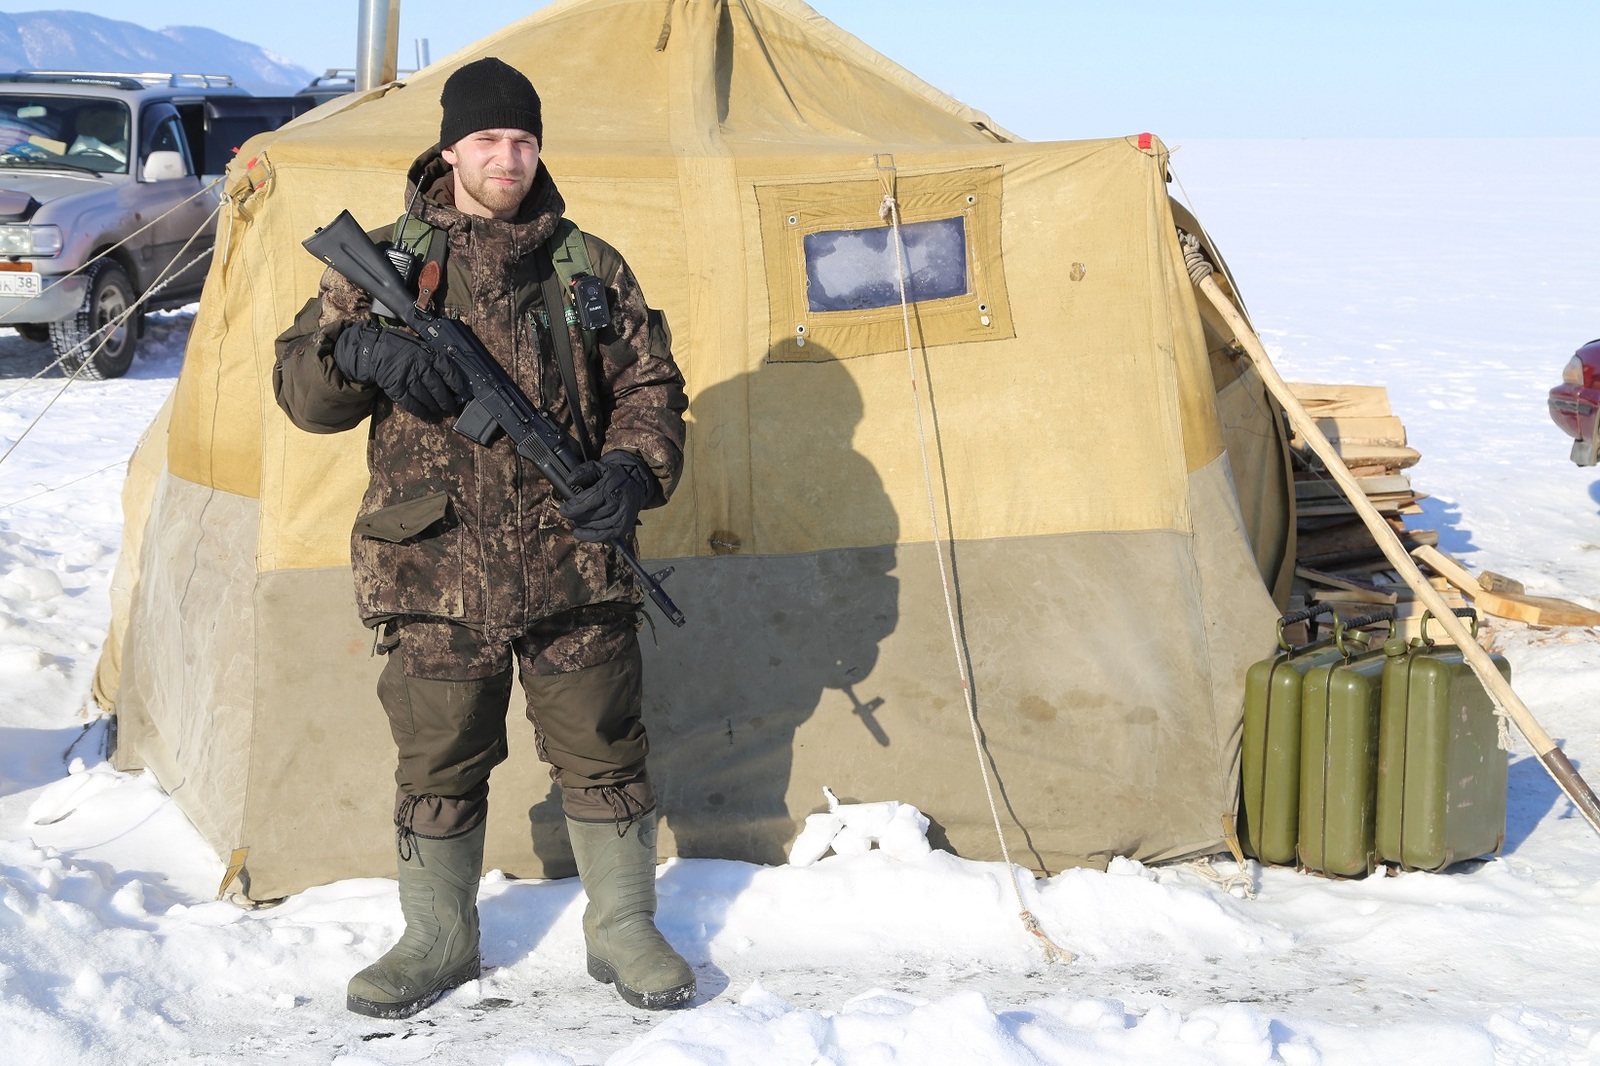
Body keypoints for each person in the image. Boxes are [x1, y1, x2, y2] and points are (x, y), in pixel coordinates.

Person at [273, 56, 693, 1019]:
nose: (507, 158)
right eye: (488, 140)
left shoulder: (589, 265)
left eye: (523, 140)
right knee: (437, 760)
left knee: (602, 751)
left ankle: (623, 926)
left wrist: (631, 475)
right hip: (432, 568)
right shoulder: (384, 261)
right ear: (451, 148)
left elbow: (649, 391)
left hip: (572, 563)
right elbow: (301, 393)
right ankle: (437, 937)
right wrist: (355, 350)